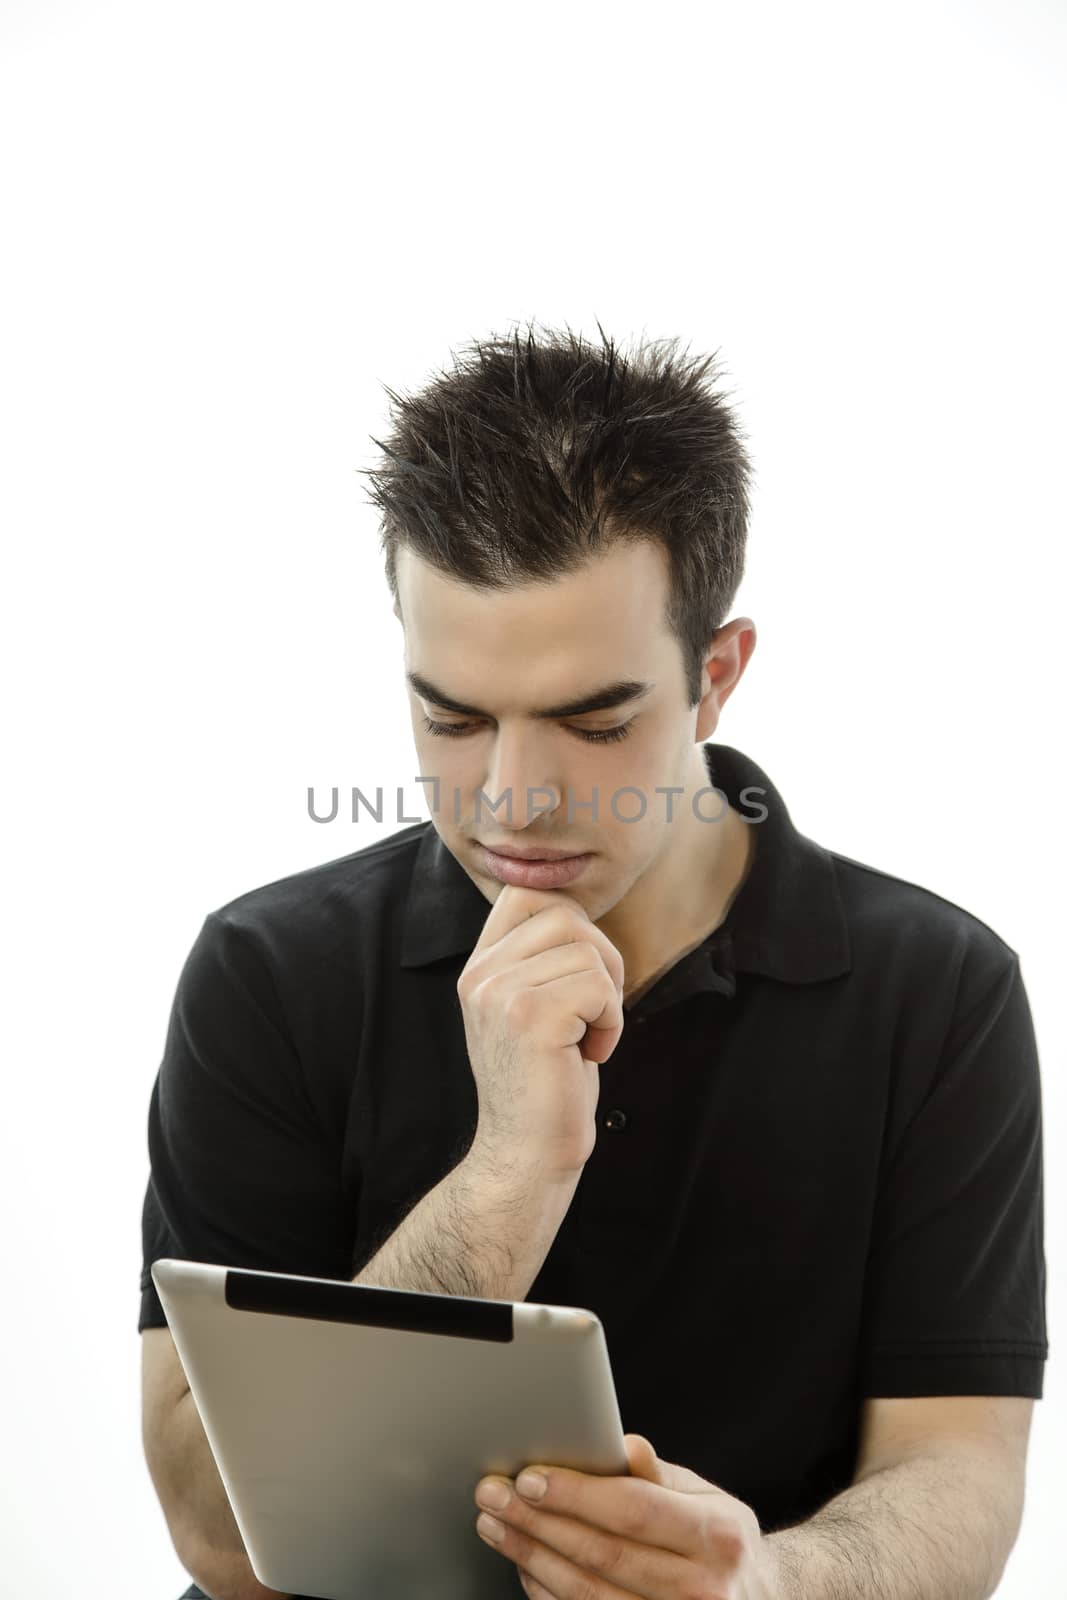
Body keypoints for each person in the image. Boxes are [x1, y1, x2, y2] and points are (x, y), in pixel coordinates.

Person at [140, 320, 1047, 1600]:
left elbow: (959, 1471)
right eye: (451, 716)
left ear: (715, 676)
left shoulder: (936, 992)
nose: (510, 800)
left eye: (593, 719)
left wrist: (769, 1584)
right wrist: (509, 1170)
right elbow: (217, 1539)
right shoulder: (268, 971)